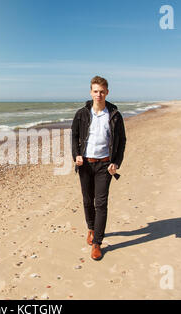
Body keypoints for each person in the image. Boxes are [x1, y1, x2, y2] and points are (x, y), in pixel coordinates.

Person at [71, 76, 126, 261]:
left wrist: (116, 162)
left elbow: (122, 141)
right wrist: (76, 155)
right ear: (90, 92)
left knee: (101, 203)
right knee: (88, 200)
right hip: (85, 163)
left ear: (107, 92)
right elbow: (74, 136)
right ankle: (91, 228)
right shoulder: (81, 114)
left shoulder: (115, 115)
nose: (98, 94)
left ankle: (97, 243)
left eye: (102, 91)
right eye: (95, 91)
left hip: (105, 164)